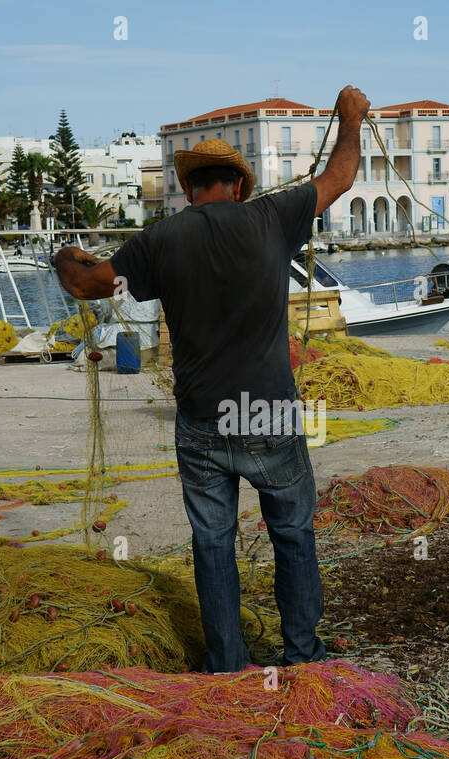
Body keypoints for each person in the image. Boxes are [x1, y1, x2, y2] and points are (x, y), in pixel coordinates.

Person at [55, 85, 370, 673]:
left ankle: (227, 664)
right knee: (294, 535)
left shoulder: (162, 241)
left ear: (189, 188)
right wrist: (350, 116)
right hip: (270, 415)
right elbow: (342, 175)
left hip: (202, 423)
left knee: (213, 544)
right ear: (240, 185)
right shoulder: (273, 218)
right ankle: (303, 656)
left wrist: (64, 258)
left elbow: (87, 284)